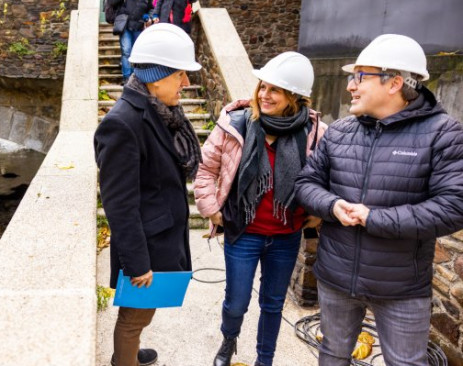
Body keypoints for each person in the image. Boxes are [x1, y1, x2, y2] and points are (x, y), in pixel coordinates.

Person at [295, 34, 463, 366]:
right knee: (332, 354)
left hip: (401, 288)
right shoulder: (341, 131)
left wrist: (375, 218)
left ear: (395, 82)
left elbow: (453, 207)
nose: (350, 87)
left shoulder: (444, 134)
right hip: (336, 278)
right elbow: (306, 183)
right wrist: (331, 205)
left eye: (359, 77)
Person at [193, 51, 327, 366]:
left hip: (286, 234)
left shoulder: (313, 132)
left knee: (273, 303)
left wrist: (318, 211)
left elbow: (328, 176)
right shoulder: (236, 123)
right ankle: (228, 341)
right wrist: (212, 209)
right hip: (244, 232)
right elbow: (205, 170)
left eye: (275, 90)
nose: (264, 95)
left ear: (294, 96)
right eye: (262, 87)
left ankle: (264, 359)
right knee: (237, 302)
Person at [94, 23, 202, 366]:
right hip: (146, 245)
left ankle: (129, 352)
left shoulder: (158, 112)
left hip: (159, 236)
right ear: (157, 77)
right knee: (133, 317)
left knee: (141, 313)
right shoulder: (122, 123)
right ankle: (123, 360)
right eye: (181, 75)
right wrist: (137, 263)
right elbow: (119, 205)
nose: (186, 83)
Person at [107, 0, 154, 84]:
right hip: (125, 26)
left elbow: (151, 8)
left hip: (139, 27)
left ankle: (135, 77)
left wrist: (148, 16)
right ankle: (127, 78)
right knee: (126, 51)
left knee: (136, 53)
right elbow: (112, 3)